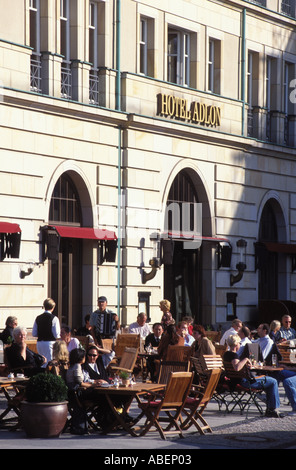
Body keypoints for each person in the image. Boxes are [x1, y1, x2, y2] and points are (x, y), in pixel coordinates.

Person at [224, 334, 284, 418]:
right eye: (239, 344)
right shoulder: (234, 355)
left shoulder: (226, 354)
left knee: (269, 381)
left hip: (235, 381)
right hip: (245, 382)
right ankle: (273, 409)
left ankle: (270, 407)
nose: (240, 345)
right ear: (236, 344)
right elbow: (237, 368)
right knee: (273, 381)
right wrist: (246, 359)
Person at [32, 298, 60, 365]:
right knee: (49, 363)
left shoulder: (38, 318)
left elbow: (34, 333)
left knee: (41, 361)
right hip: (50, 343)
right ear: (53, 307)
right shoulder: (54, 318)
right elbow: (56, 334)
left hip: (40, 343)